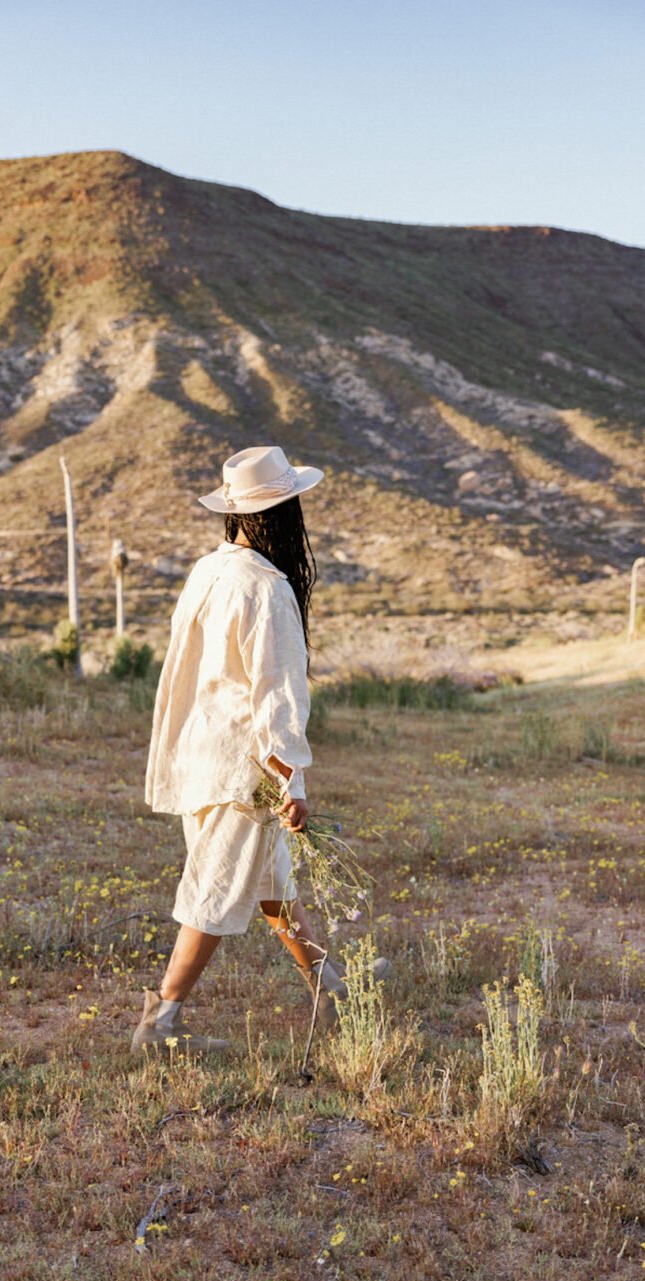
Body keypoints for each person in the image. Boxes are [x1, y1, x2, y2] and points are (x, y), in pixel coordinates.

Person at [132, 445, 388, 1054]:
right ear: (282, 514)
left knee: (270, 881)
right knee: (214, 891)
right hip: (242, 769)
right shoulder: (267, 590)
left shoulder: (209, 571)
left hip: (201, 755)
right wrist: (290, 780)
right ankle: (159, 1023)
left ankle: (328, 986)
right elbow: (277, 696)